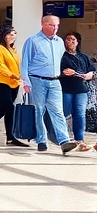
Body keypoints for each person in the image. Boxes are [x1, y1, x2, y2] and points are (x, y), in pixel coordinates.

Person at [20, 15, 78, 153]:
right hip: (37, 80)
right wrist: (26, 81)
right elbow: (24, 64)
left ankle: (64, 141)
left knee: (57, 111)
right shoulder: (33, 41)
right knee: (39, 110)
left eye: (57, 25)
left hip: (55, 81)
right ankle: (41, 140)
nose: (55, 28)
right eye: (52, 25)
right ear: (43, 25)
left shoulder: (59, 42)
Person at [60, 31, 95, 146]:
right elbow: (59, 71)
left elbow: (93, 71)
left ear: (77, 42)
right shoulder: (62, 56)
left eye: (73, 40)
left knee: (79, 114)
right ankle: (61, 137)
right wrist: (65, 72)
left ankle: (79, 139)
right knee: (64, 113)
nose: (70, 42)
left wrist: (90, 75)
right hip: (66, 88)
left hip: (81, 89)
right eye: (68, 39)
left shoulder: (84, 56)